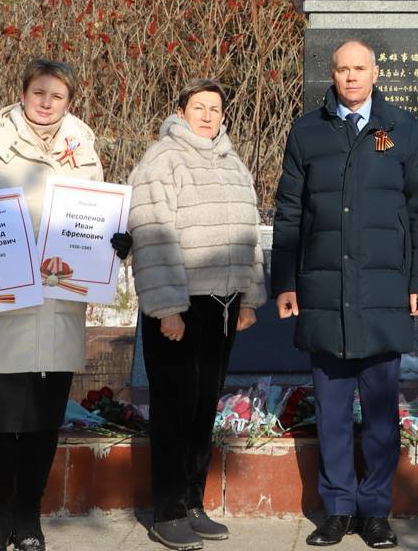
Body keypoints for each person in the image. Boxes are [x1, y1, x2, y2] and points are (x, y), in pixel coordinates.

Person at [0, 58, 132, 551]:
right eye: (39, 93)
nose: (46, 103)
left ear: (70, 103)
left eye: (57, 96)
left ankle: (28, 517)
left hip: (57, 307)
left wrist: (115, 243)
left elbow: (94, 222)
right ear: (22, 95)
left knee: (43, 423)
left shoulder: (84, 154)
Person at [271, 39, 418, 549]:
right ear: (333, 73)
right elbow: (289, 211)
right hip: (324, 291)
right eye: (343, 69)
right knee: (332, 412)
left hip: (384, 291)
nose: (350, 77)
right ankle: (339, 508)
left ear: (375, 72)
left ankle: (376, 510)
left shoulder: (403, 129)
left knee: (382, 414)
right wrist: (284, 281)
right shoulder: (307, 130)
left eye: (359, 68)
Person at [127, 79, 267, 551]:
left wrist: (250, 297)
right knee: (174, 408)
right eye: (198, 107)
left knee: (204, 405)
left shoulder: (233, 162)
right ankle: (167, 511)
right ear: (182, 112)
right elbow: (152, 235)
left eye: (215, 109)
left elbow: (249, 233)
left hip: (223, 306)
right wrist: (167, 309)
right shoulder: (162, 160)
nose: (207, 116)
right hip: (180, 305)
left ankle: (191, 502)